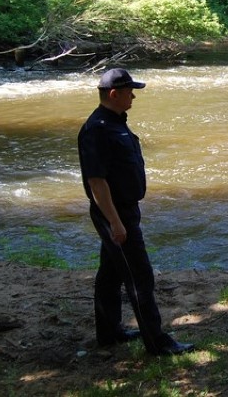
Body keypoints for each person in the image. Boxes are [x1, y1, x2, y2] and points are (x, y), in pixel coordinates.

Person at [78, 68, 195, 356]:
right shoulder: (97, 129)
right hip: (114, 214)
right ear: (114, 94)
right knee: (140, 277)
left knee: (111, 274)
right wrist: (115, 222)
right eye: (130, 91)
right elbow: (96, 181)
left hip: (124, 210)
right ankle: (157, 343)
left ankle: (109, 332)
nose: (134, 96)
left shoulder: (114, 122)